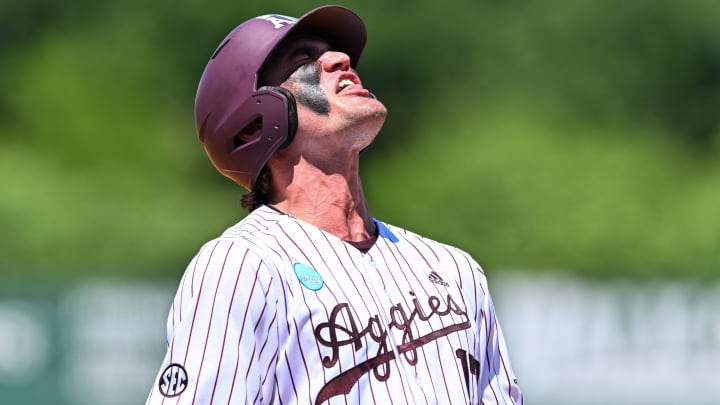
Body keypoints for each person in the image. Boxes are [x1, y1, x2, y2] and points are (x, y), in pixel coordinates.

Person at [146, 5, 523, 405]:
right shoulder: (243, 265)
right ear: (254, 124)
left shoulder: (454, 270)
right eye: (304, 59)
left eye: (333, 53)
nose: (342, 59)